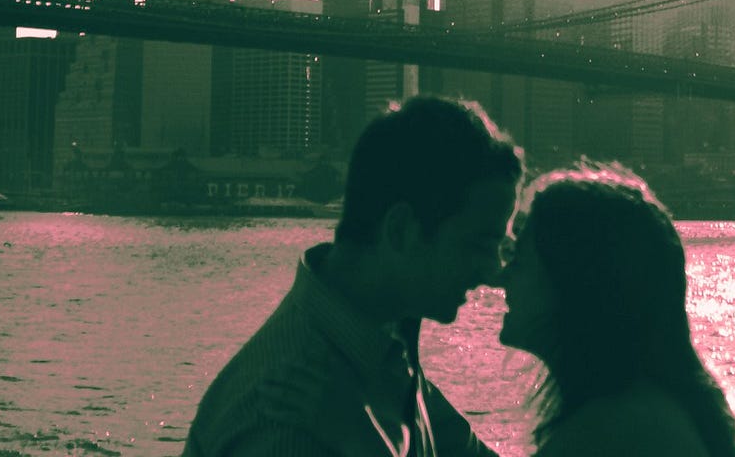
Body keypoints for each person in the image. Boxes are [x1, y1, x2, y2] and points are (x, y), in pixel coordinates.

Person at [183, 95, 522, 457]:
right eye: (480, 245)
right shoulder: (286, 423)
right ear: (401, 230)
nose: (495, 272)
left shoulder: (382, 346)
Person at [497, 161, 735, 456]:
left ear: (574, 285)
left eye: (519, 261)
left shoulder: (610, 430)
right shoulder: (648, 413)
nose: (501, 277)